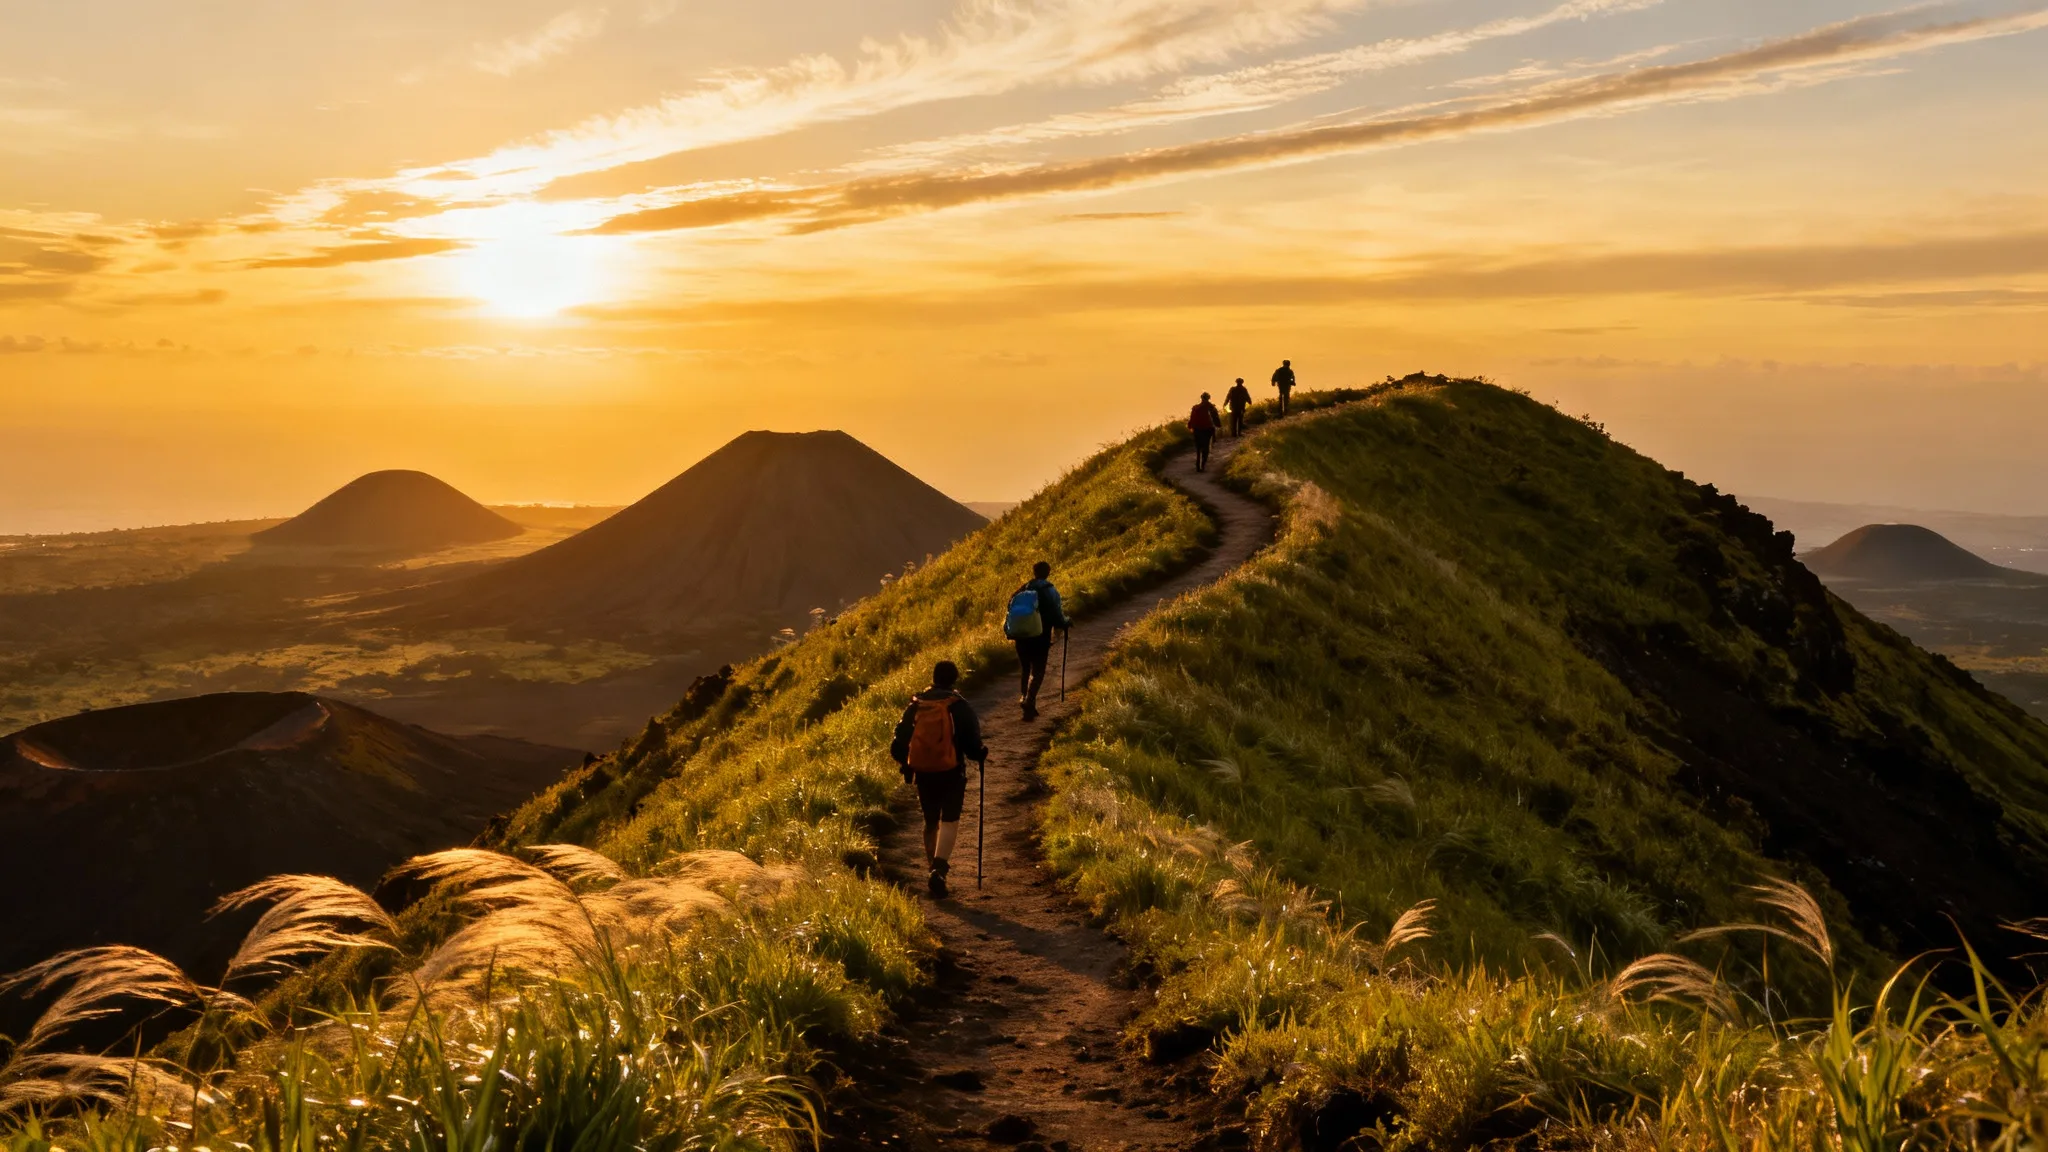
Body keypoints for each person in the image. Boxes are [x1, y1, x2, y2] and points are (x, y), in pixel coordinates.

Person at [891, 659, 988, 898]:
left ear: (934, 677)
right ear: (955, 679)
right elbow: (971, 743)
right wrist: (980, 753)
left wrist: (907, 764)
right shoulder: (958, 705)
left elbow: (898, 742)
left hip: (924, 772)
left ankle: (931, 868)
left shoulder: (916, 705)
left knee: (930, 819)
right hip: (952, 771)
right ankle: (939, 869)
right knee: (950, 819)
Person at [1003, 560, 1070, 721]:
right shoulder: (1050, 590)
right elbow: (1057, 613)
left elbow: (1009, 607)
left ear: (1034, 572)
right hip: (1041, 636)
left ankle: (1024, 698)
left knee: (1026, 668)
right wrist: (1065, 622)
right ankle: (1030, 700)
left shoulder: (1023, 589)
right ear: (1048, 572)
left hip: (1021, 635)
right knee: (1038, 670)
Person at [1189, 392, 1222, 471]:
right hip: (1207, 429)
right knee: (1206, 447)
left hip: (1197, 429)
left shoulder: (1195, 407)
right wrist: (1218, 425)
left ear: (1201, 398)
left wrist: (1190, 426)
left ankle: (1198, 465)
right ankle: (1203, 465)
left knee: (1198, 448)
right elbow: (1215, 417)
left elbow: (1192, 418)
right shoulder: (1211, 407)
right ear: (1208, 398)